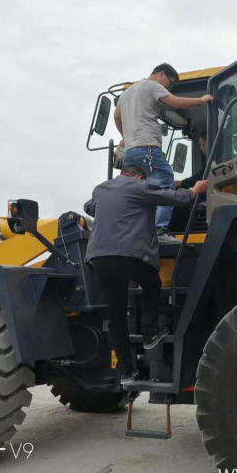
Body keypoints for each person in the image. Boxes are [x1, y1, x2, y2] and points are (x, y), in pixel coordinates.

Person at [84, 163, 208, 384]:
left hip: (99, 257)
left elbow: (89, 207)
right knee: (152, 284)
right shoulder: (140, 187)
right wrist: (194, 190)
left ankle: (126, 369)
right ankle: (150, 332)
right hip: (130, 254)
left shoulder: (100, 189)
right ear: (140, 176)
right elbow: (177, 199)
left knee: (116, 315)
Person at [114, 63, 213, 244]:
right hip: (149, 149)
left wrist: (125, 137)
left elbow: (117, 117)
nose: (168, 87)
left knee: (141, 190)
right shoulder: (152, 86)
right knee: (166, 185)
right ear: (160, 74)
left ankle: (141, 231)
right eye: (170, 82)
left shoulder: (126, 94)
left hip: (131, 153)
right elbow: (176, 102)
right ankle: (160, 231)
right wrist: (201, 100)